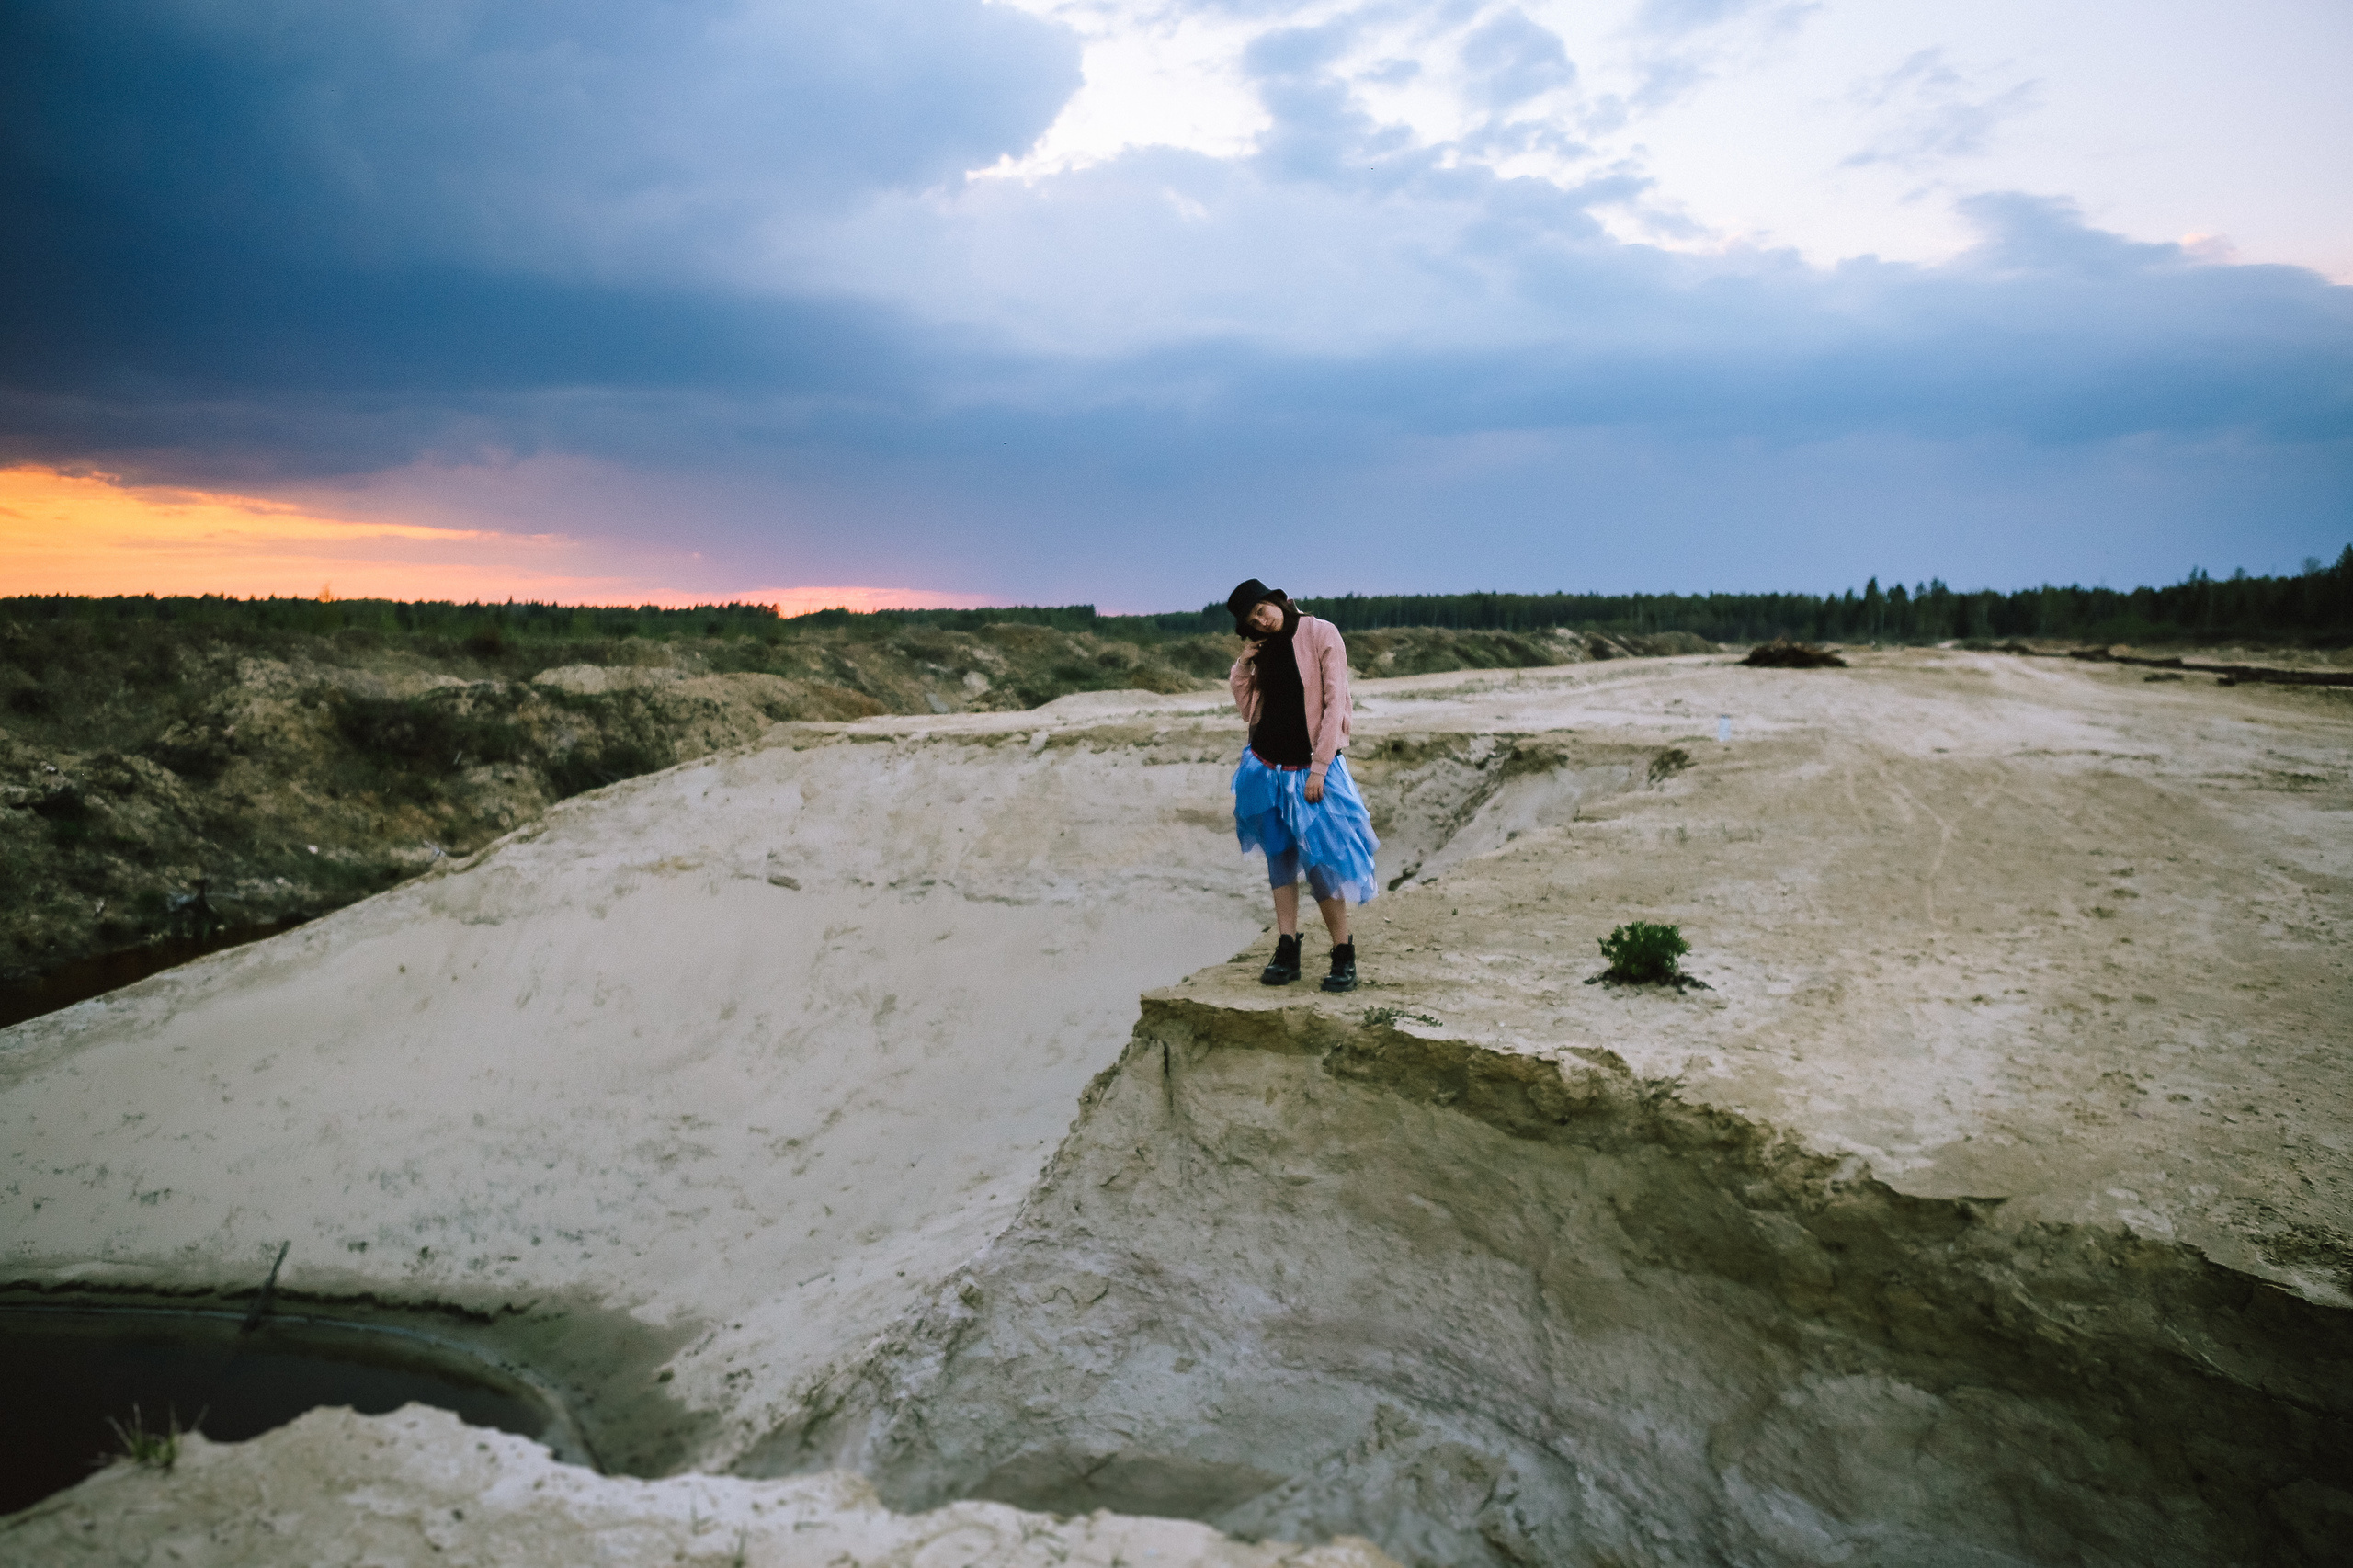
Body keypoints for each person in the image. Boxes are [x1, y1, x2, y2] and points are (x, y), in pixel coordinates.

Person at [1224, 578, 1379, 992]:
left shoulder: (1321, 633)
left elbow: (1335, 703)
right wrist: (1244, 665)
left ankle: (1343, 952)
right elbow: (1247, 709)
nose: (1261, 621)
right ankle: (1287, 946)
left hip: (1309, 770)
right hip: (1264, 767)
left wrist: (1320, 768)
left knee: (1320, 863)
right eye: (1252, 620)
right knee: (1279, 858)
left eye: (1261, 610)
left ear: (1275, 600)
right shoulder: (1263, 649)